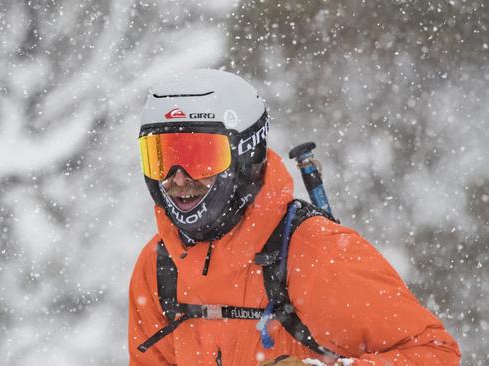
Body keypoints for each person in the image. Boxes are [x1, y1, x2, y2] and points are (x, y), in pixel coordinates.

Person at [128, 69, 460, 365]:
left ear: (245, 154)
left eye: (199, 158)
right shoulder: (160, 267)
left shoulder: (317, 252)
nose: (179, 179)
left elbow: (436, 354)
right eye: (161, 158)